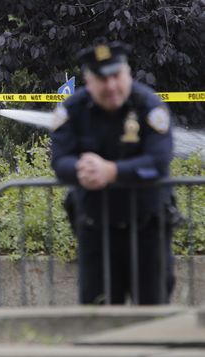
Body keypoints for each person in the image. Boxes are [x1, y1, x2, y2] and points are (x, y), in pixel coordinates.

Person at [50, 42, 175, 305]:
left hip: (147, 232)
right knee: (98, 318)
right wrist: (79, 169)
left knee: (153, 318)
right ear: (88, 80)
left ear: (127, 72)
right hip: (97, 233)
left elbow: (158, 161)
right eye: (101, 79)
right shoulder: (73, 110)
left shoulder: (149, 107)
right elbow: (60, 161)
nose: (111, 86)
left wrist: (111, 171)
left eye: (116, 76)